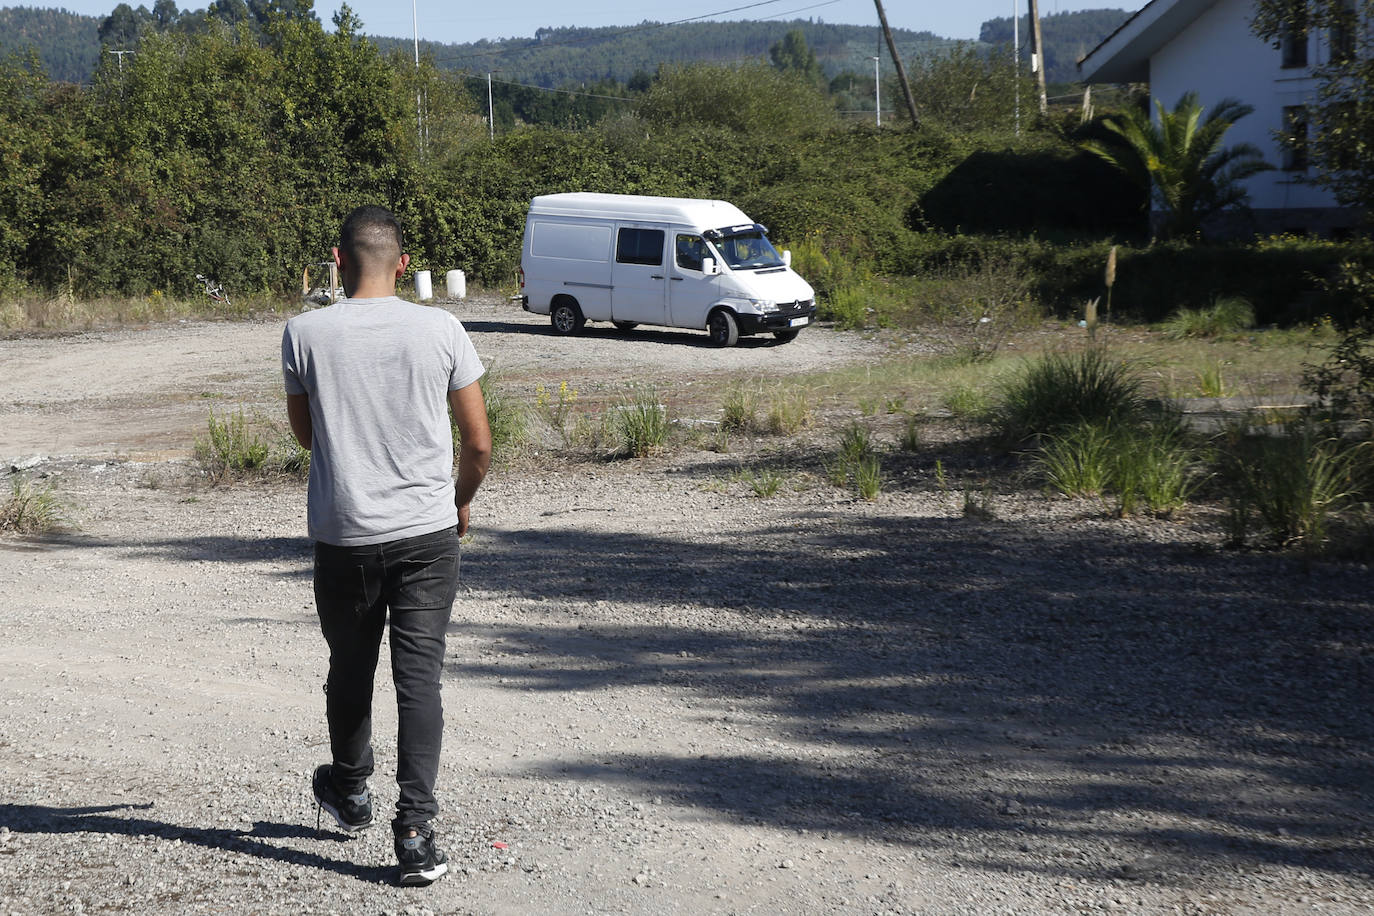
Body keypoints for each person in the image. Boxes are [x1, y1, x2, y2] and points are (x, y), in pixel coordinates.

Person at [281, 205, 491, 887]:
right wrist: (458, 499)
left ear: (337, 261)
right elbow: (480, 444)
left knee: (350, 665)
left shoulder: (303, 333)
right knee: (418, 679)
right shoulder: (443, 327)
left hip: (344, 534)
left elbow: (308, 437)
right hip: (428, 534)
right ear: (404, 265)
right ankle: (415, 832)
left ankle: (349, 788)